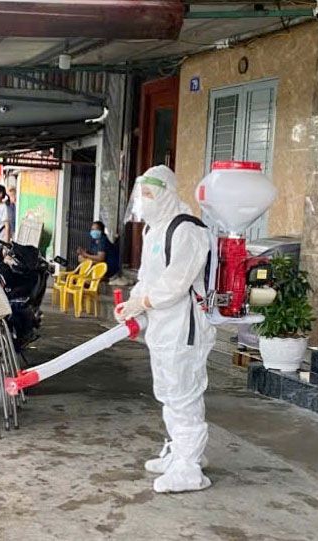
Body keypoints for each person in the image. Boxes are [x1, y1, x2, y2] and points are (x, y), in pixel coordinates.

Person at [114, 165, 215, 494]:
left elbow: (174, 284)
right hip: (161, 327)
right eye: (140, 195)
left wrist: (142, 301)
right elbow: (147, 277)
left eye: (149, 195)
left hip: (185, 328)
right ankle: (180, 452)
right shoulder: (153, 230)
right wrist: (131, 303)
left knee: (184, 392)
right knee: (169, 392)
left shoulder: (188, 230)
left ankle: (189, 467)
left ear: (167, 194)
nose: (144, 202)